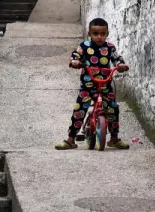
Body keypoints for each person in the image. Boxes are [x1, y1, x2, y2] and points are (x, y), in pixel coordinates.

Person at [55, 18, 129, 150]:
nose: (99, 37)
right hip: (88, 86)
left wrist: (120, 65)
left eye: (102, 34)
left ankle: (114, 138)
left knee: (113, 108)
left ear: (107, 34)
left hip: (105, 85)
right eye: (95, 34)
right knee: (79, 110)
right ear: (90, 33)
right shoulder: (84, 46)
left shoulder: (110, 47)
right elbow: (76, 55)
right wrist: (75, 62)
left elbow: (116, 59)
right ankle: (71, 139)